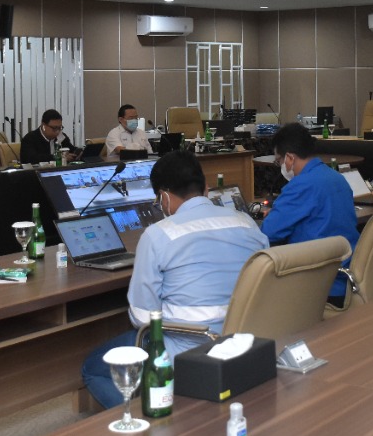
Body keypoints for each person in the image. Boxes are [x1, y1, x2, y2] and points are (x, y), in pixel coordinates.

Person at [80, 151, 267, 408]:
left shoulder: (158, 235)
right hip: (246, 339)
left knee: (93, 367)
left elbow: (143, 318)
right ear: (206, 187)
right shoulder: (247, 223)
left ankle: (149, 417)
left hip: (188, 349)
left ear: (164, 197)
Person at [262, 123, 359, 303]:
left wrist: (274, 214)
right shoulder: (338, 178)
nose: (280, 166)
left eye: (279, 161)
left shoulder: (300, 186)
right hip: (346, 276)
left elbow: (268, 232)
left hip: (317, 285)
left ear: (290, 157)